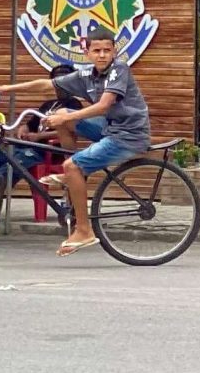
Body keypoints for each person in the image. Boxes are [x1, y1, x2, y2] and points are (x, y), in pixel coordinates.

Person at [39, 28, 149, 255]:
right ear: (86, 52)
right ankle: (73, 176)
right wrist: (3, 88)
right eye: (96, 50)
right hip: (110, 129)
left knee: (72, 164)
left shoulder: (119, 69)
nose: (102, 55)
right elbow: (46, 85)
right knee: (65, 121)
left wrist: (66, 116)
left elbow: (103, 106)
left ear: (114, 51)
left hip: (127, 136)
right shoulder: (88, 75)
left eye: (107, 50)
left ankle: (84, 230)